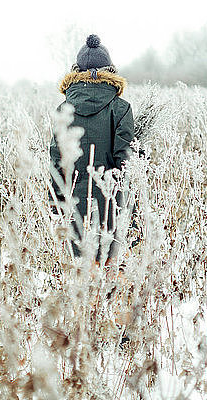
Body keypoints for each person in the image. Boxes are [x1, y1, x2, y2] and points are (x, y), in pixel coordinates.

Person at [49, 34, 135, 266]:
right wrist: (131, 206)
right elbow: (125, 159)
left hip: (75, 205)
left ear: (76, 71)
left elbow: (57, 160)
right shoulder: (121, 108)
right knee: (111, 269)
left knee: (81, 276)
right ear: (110, 71)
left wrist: (55, 203)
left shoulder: (64, 109)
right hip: (111, 202)